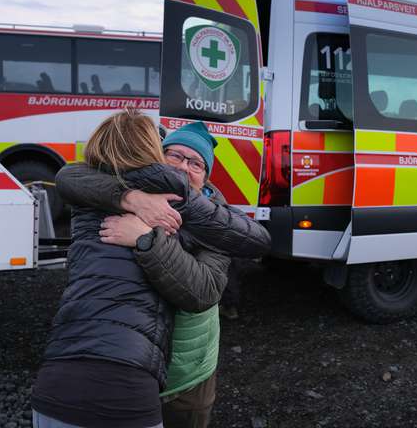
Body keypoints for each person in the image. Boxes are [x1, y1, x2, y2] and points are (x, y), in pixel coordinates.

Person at [31, 112, 270, 428]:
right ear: (158, 156)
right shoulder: (118, 190)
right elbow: (69, 175)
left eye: (196, 163)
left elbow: (205, 289)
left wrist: (146, 239)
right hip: (134, 371)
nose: (184, 166)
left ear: (207, 176)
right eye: (175, 155)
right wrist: (132, 198)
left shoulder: (214, 222)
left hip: (186, 374)